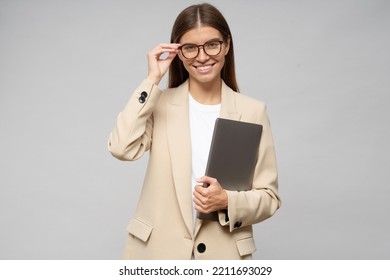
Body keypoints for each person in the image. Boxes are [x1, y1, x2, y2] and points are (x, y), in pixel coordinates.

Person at [108, 3, 281, 260]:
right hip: (157, 255)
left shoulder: (252, 111)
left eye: (212, 44)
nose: (202, 57)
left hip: (223, 257)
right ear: (178, 51)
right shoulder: (159, 104)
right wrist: (151, 80)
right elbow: (122, 148)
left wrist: (227, 201)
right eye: (190, 48)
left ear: (227, 45)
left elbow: (269, 198)